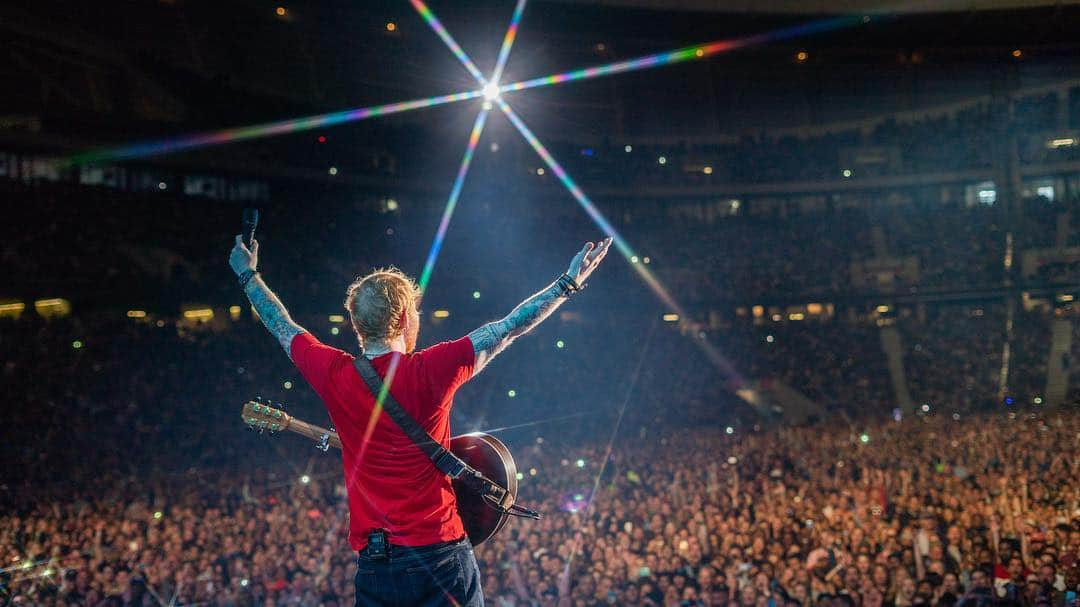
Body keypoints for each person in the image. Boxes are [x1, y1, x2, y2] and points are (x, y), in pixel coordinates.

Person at [228, 233, 612, 607]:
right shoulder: (432, 369)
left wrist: (248, 274)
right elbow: (509, 327)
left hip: (376, 566)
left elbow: (282, 326)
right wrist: (567, 284)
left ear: (357, 325)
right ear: (405, 317)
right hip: (440, 557)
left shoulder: (333, 373)